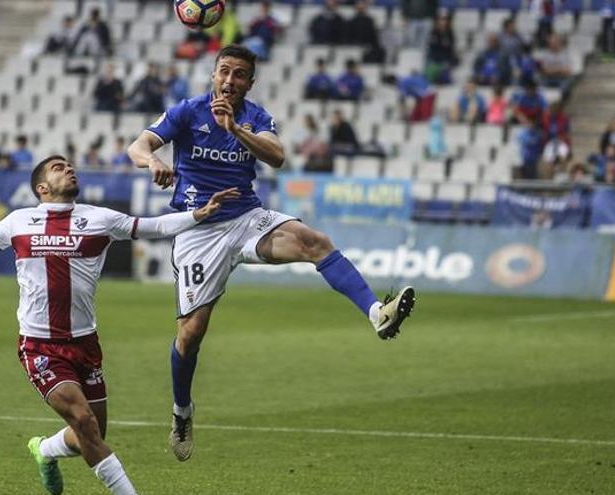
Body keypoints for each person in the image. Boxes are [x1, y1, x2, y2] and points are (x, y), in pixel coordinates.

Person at [126, 45, 416, 462]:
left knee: (315, 242)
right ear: (213, 74)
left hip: (246, 218)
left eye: (239, 74)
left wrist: (236, 130)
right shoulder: (187, 111)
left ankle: (376, 313)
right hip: (198, 230)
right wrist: (150, 161)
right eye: (224, 71)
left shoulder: (255, 117)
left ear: (249, 82)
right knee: (189, 337)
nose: (230, 80)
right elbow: (138, 144)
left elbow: (277, 156)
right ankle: (182, 411)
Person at [0, 156, 239, 495]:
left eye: (69, 165)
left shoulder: (100, 219)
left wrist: (199, 214)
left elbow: (153, 226)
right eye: (58, 168)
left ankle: (44, 450)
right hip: (40, 346)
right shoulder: (20, 221)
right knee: (84, 422)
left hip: (85, 344)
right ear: (42, 188)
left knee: (92, 434)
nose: (69, 169)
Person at [424, 14, 458, 84]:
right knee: (431, 66)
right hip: (435, 57)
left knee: (444, 68)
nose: (442, 22)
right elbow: (432, 45)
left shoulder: (449, 33)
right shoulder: (433, 32)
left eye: (444, 20)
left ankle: (442, 79)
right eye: (441, 20)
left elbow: (450, 47)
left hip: (445, 58)